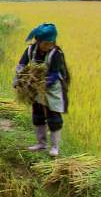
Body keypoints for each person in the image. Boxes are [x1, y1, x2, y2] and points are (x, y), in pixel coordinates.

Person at [13, 23, 70, 157]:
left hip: (52, 87)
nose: (48, 46)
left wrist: (43, 84)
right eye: (45, 43)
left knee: (54, 116)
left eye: (51, 43)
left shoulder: (56, 53)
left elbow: (55, 73)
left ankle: (55, 147)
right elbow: (21, 65)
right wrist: (18, 80)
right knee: (38, 115)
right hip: (36, 87)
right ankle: (41, 144)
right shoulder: (30, 51)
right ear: (38, 41)